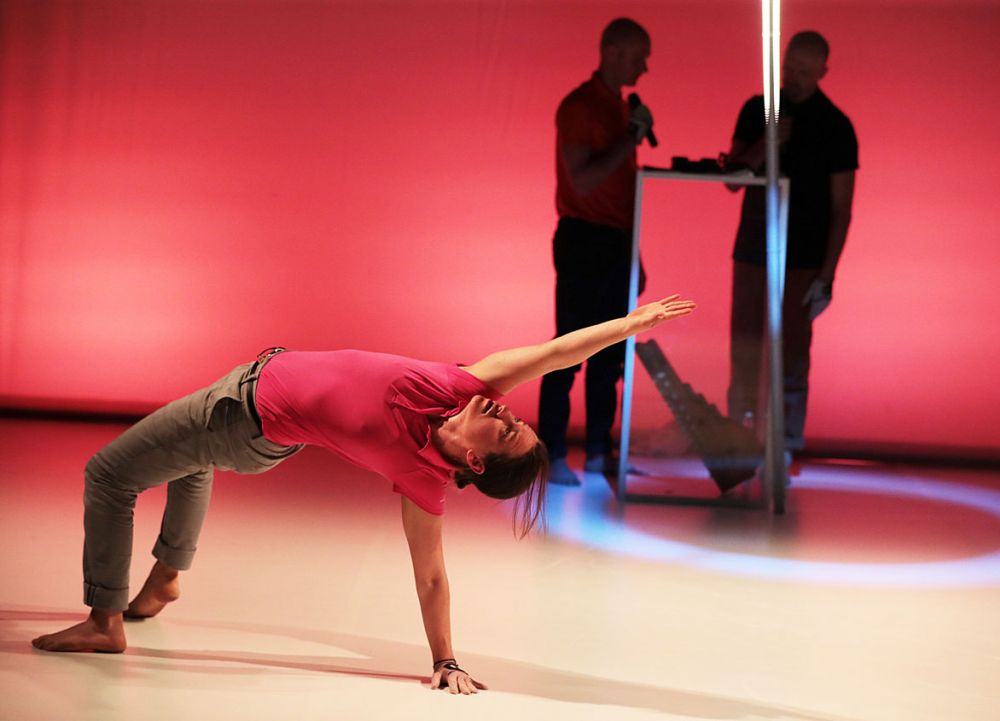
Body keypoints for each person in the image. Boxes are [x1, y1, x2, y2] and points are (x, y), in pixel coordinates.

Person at [31, 294, 696, 694]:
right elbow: (555, 354)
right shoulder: (461, 386)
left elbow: (431, 574)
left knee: (109, 474)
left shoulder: (423, 478)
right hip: (252, 416)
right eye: (514, 418)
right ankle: (166, 578)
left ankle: (104, 619)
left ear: (474, 458)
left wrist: (446, 659)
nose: (504, 410)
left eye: (506, 429)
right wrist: (631, 323)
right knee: (188, 460)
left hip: (242, 415)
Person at [724, 30, 858, 458]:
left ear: (822, 70)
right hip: (753, 250)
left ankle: (784, 444)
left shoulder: (836, 127)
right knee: (746, 345)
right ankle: (738, 440)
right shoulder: (757, 109)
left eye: (803, 70)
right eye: (789, 68)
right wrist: (767, 144)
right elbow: (731, 179)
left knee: (793, 351)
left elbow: (842, 208)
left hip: (802, 258)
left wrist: (826, 276)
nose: (793, 78)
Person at [538, 17, 655, 486]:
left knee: (610, 354)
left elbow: (621, 189)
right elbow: (584, 180)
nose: (644, 68)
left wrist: (634, 253)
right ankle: (551, 454)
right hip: (583, 238)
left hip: (615, 241)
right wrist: (629, 139)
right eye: (639, 57)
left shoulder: (619, 108)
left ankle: (600, 454)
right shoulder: (580, 107)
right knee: (568, 349)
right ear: (613, 52)